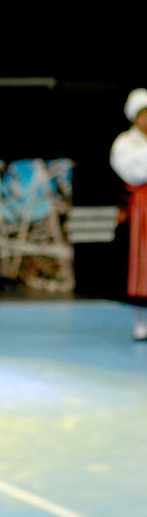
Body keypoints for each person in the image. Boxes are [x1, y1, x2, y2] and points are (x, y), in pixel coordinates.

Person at [110, 87, 147, 340]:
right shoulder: (125, 142)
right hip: (138, 214)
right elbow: (134, 171)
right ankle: (141, 321)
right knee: (138, 268)